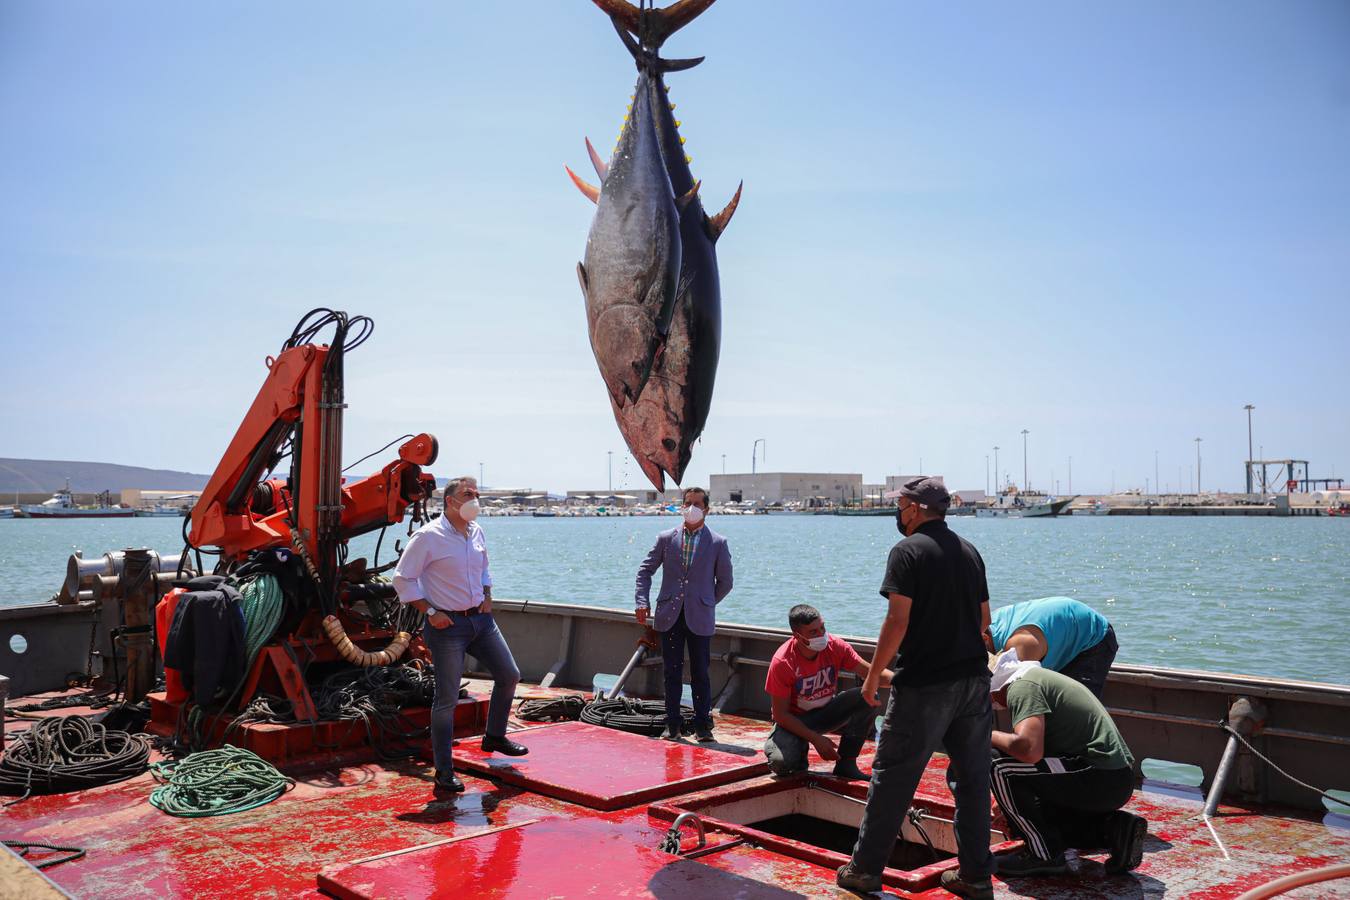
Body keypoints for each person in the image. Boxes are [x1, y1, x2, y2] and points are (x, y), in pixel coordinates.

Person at [837, 476, 997, 900]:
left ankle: (865, 871)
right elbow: (984, 620)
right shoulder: (969, 551)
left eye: (901, 504)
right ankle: (976, 876)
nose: (898, 512)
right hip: (974, 684)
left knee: (892, 778)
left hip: (925, 684)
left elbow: (897, 620)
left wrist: (872, 676)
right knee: (973, 782)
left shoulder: (907, 551)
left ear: (913, 508)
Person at [393, 475, 526, 793]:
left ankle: (494, 735)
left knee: (509, 675)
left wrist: (488, 593)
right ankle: (443, 771)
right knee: (447, 699)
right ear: (450, 500)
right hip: (446, 627)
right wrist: (431, 613)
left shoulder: (476, 531)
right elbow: (403, 579)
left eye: (477, 494)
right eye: (468, 494)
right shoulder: (428, 537)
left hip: (481, 621)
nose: (475, 499)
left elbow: (483, 567)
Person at [987, 648, 1147, 878]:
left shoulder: (1022, 686)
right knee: (1032, 806)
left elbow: (1029, 750)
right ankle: (1112, 830)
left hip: (1096, 775)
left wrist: (983, 733)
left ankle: (1043, 856)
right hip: (1112, 778)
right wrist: (1007, 804)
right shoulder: (1037, 678)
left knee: (1001, 769)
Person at [635, 486, 733, 742]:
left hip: (700, 617)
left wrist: (706, 601)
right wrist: (641, 601)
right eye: (687, 503)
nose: (691, 508)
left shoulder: (718, 543)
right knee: (671, 672)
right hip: (669, 615)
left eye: (697, 504)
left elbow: (725, 582)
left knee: (701, 672)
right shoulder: (666, 538)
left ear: (707, 510)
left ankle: (703, 726)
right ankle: (672, 724)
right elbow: (645, 571)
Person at [763, 604, 892, 781]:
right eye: (813, 632)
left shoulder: (834, 646)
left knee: (868, 697)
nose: (821, 634)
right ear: (797, 636)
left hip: (827, 712)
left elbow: (871, 674)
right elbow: (780, 714)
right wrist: (816, 739)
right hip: (795, 721)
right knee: (782, 764)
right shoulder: (783, 661)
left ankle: (846, 764)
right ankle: (798, 752)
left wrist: (903, 680)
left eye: (822, 627)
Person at [985, 596, 1118, 698]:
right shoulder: (986, 622)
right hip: (1060, 632)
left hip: (1094, 637)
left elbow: (1014, 694)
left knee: (1071, 707)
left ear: (984, 639)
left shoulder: (1020, 646)